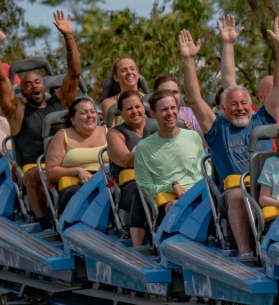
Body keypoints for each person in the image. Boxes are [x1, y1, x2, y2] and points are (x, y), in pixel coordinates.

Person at [178, 17, 279, 257]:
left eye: (243, 103)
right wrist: (188, 60)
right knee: (238, 194)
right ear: (223, 108)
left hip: (269, 185)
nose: (239, 108)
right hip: (234, 191)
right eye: (233, 105)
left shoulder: (262, 119)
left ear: (251, 105)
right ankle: (245, 253)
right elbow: (195, 99)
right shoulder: (217, 128)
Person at [0, 11, 82, 224]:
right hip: (34, 165)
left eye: (37, 82)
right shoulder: (17, 111)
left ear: (44, 85)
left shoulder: (59, 102)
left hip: (63, 162)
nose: (33, 86)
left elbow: (74, 74)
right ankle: (45, 221)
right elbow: (2, 83)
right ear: (23, 92)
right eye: (27, 84)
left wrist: (68, 37)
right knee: (33, 176)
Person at [130, 89, 205, 246]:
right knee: (176, 207)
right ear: (153, 114)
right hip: (170, 200)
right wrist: (171, 186)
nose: (170, 113)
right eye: (164, 110)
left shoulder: (193, 136)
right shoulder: (144, 147)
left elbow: (205, 172)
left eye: (173, 108)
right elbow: (144, 188)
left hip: (199, 194)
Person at [44, 97, 107, 215]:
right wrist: (78, 171)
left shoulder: (108, 132)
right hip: (75, 184)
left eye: (92, 112)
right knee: (79, 196)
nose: (90, 116)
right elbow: (51, 172)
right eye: (83, 113)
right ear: (73, 119)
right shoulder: (62, 135)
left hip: (105, 178)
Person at [106, 90, 147, 224]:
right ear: (120, 112)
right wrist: (152, 150)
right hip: (129, 186)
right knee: (141, 192)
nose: (135, 111)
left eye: (138, 106)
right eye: (129, 109)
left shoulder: (157, 126)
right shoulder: (115, 133)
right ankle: (139, 240)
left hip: (161, 176)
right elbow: (125, 160)